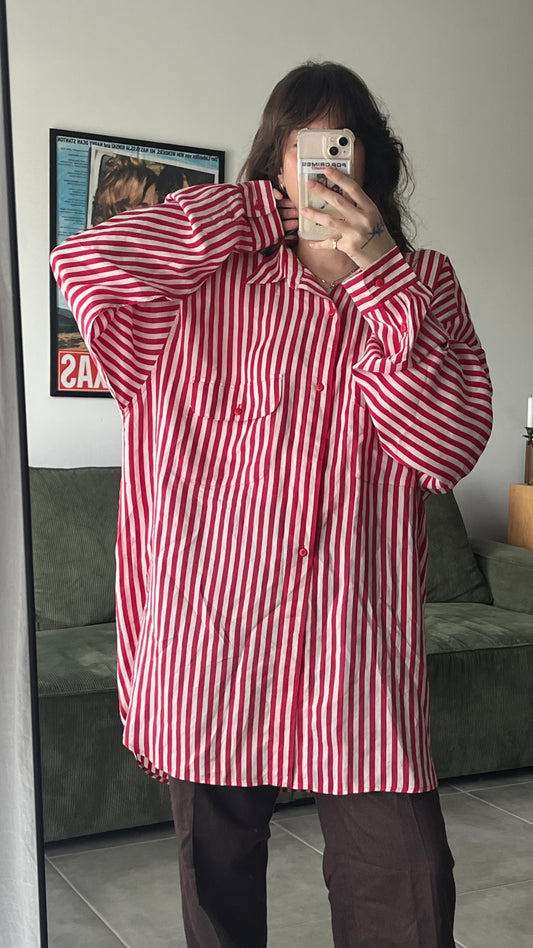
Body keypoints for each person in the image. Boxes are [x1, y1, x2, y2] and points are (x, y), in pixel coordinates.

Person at [51, 61, 493, 948]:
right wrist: (256, 213)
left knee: (406, 891)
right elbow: (86, 262)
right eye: (299, 148)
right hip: (212, 645)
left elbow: (443, 449)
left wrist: (376, 273)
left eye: (338, 143)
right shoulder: (198, 290)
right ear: (271, 161)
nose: (321, 164)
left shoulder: (423, 286)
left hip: (353, 658)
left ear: (371, 160)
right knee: (216, 896)